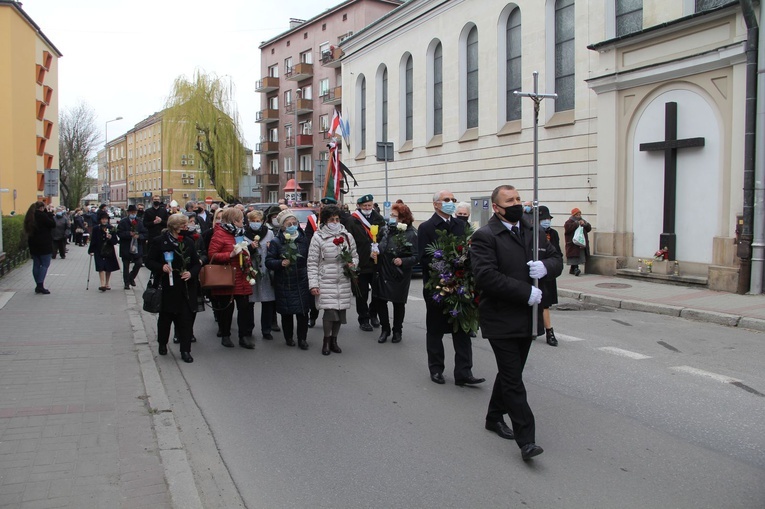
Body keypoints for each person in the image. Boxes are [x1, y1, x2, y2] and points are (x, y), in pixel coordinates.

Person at [471, 185, 563, 461]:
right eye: (509, 200)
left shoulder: (532, 230)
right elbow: (486, 276)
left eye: (518, 199)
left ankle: (493, 416)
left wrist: (547, 268)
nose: (516, 204)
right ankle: (527, 440)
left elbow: (556, 258)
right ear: (496, 207)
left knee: (511, 372)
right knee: (513, 379)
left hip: (528, 317)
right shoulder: (485, 236)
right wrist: (526, 292)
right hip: (501, 316)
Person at [418, 190, 485, 386]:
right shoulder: (426, 227)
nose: (451, 203)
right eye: (447, 200)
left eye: (453, 200)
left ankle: (464, 372)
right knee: (436, 329)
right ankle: (436, 369)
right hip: (437, 286)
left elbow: (469, 249)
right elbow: (424, 257)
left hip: (461, 284)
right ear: (436, 204)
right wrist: (446, 265)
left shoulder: (460, 225)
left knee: (462, 330)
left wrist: (465, 264)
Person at [145, 213, 201, 363]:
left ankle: (185, 350)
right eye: (184, 225)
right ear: (175, 227)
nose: (186, 227)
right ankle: (162, 343)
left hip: (185, 287)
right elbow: (148, 261)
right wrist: (161, 267)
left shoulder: (188, 242)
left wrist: (191, 273)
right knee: (165, 319)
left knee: (186, 320)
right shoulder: (159, 241)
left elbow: (196, 263)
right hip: (167, 287)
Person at [307, 204, 358, 356]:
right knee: (330, 313)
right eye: (331, 219)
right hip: (326, 280)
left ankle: (334, 340)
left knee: (340, 313)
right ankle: (326, 341)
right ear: (325, 221)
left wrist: (352, 264)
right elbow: (312, 262)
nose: (335, 222)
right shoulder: (318, 237)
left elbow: (355, 255)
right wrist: (313, 284)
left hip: (342, 279)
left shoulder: (347, 236)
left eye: (337, 219)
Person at [207, 207, 255, 348]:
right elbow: (212, 255)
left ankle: (243, 336)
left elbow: (244, 251)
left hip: (241, 275)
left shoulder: (240, 233)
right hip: (226, 276)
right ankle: (226, 335)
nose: (243, 222)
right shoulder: (219, 234)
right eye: (241, 219)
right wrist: (230, 255)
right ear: (234, 221)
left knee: (244, 308)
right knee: (227, 309)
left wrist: (247, 256)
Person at [371, 202, 418, 343]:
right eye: (391, 214)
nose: (391, 217)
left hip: (399, 274)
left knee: (398, 303)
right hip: (383, 270)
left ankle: (398, 330)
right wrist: (374, 253)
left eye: (394, 215)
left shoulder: (412, 234)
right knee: (380, 300)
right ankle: (385, 329)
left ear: (403, 218)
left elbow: (416, 256)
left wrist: (403, 261)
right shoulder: (386, 230)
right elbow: (379, 246)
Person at [266, 209, 312, 350]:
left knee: (303, 312)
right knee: (287, 312)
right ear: (282, 226)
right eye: (288, 223)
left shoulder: (303, 239)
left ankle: (302, 338)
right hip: (285, 280)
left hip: (302, 279)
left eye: (294, 222)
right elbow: (269, 261)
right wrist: (280, 263)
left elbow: (311, 257)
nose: (292, 225)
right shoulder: (276, 241)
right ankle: (289, 337)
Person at [346, 194, 386, 331]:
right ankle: (363, 318)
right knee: (361, 294)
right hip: (361, 262)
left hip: (376, 262)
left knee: (377, 293)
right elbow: (349, 242)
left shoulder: (378, 219)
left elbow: (383, 238)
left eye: (369, 205)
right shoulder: (352, 220)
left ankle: (373, 314)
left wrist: (379, 249)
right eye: (365, 206)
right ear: (359, 206)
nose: (368, 208)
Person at [245, 210, 276, 340]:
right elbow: (241, 250)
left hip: (265, 270)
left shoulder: (269, 233)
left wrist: (271, 248)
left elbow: (275, 250)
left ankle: (266, 329)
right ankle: (248, 328)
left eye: (258, 221)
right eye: (253, 221)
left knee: (267, 301)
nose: (256, 224)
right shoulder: (244, 233)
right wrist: (250, 248)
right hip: (251, 271)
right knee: (249, 302)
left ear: (263, 221)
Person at [538, 206, 560, 346]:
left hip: (547, 272)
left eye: (548, 219)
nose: (546, 222)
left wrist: (551, 266)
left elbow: (557, 253)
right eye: (543, 219)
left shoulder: (554, 233)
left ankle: (549, 332)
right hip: (534, 272)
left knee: (545, 304)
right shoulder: (532, 233)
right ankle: (534, 328)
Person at [23, 201, 56, 294]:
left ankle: (38, 285)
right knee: (45, 264)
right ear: (42, 208)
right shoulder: (43, 216)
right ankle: (40, 285)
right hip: (44, 243)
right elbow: (53, 224)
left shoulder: (30, 217)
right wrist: (49, 214)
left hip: (33, 243)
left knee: (36, 264)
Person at [117, 205, 148, 290]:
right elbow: (119, 233)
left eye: (134, 212)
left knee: (139, 263)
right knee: (126, 266)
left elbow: (145, 233)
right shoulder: (123, 222)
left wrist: (139, 236)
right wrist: (128, 234)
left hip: (137, 246)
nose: (133, 214)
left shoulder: (140, 222)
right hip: (126, 247)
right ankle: (126, 283)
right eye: (131, 212)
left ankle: (131, 277)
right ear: (128, 213)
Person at [88, 211, 120, 292]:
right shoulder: (96, 228)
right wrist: (91, 250)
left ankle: (107, 283)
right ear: (100, 220)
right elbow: (93, 240)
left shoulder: (111, 228)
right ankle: (102, 284)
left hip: (109, 250)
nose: (104, 221)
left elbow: (115, 241)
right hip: (98, 249)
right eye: (102, 219)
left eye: (105, 219)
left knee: (108, 267)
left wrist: (110, 238)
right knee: (100, 266)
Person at [564, 207, 591, 276]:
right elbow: (568, 229)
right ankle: (575, 269)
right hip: (573, 243)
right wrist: (576, 224)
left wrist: (585, 224)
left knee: (579, 256)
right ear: (573, 215)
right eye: (577, 215)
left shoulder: (582, 220)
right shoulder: (569, 222)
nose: (579, 216)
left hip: (580, 243)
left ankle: (573, 269)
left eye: (579, 214)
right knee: (574, 256)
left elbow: (589, 228)